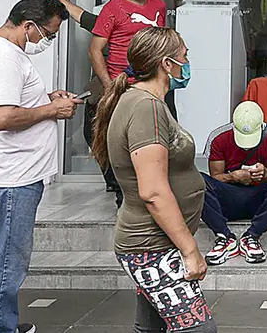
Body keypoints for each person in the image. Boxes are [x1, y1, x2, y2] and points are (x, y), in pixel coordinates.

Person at [0, 0, 79, 333]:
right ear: (29, 25)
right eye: (50, 33)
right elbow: (1, 116)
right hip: (10, 179)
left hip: (4, 176)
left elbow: (11, 102)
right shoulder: (5, 58)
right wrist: (52, 110)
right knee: (5, 265)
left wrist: (45, 98)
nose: (49, 41)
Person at [91, 27, 216, 332]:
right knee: (198, 329)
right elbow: (153, 192)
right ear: (166, 64)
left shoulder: (143, 101)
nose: (188, 62)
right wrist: (190, 250)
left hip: (154, 242)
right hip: (151, 246)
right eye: (184, 56)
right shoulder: (146, 108)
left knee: (151, 326)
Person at [89, 0, 170, 206]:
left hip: (152, 83)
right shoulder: (113, 8)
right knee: (121, 139)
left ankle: (155, 187)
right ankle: (122, 191)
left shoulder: (159, 6)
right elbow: (95, 50)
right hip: (122, 82)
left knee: (155, 136)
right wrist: (108, 84)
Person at [202, 101, 267, 265]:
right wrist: (233, 177)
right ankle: (224, 236)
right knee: (196, 182)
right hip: (228, 198)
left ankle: (252, 235)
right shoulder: (218, 137)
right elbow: (215, 176)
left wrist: (265, 174)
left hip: (260, 200)